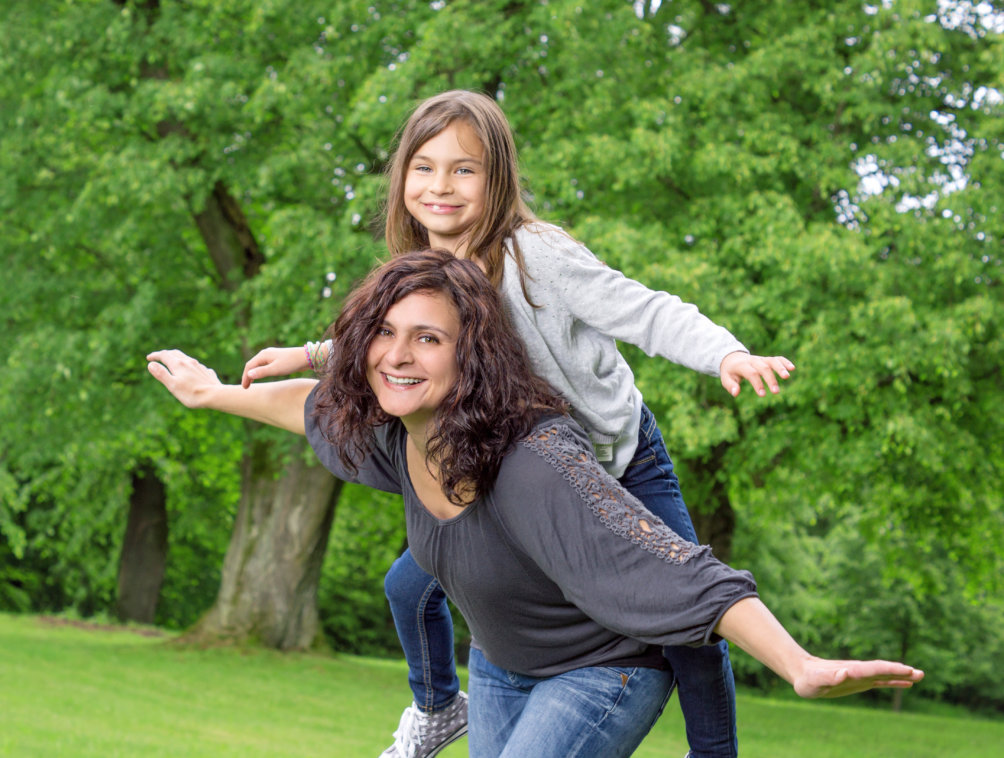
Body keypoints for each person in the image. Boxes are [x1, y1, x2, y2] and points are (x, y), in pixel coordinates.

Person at [146, 249, 923, 758]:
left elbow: (673, 566)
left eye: (428, 339)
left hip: (604, 669)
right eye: (384, 333)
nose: (397, 355)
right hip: (502, 668)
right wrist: (213, 394)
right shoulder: (395, 436)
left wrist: (803, 665)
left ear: (472, 353)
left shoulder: (533, 458)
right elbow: (308, 404)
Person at [241, 90, 794, 758]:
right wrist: (310, 355)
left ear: (497, 178)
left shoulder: (537, 256)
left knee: (683, 608)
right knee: (407, 585)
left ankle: (715, 752)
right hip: (511, 471)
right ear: (402, 179)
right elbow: (394, 342)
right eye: (424, 167)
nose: (440, 186)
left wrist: (725, 354)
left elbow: (645, 312)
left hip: (618, 465)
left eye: (463, 170)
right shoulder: (426, 266)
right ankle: (438, 707)